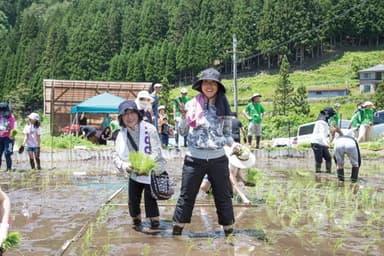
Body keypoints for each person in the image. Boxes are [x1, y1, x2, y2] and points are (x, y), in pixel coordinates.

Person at [172, 67, 235, 237]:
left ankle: (229, 233)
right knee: (186, 196)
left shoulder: (224, 105)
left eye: (213, 83)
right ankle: (177, 231)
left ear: (218, 87)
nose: (209, 86)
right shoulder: (190, 104)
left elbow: (228, 134)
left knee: (223, 196)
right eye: (206, 82)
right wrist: (184, 116)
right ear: (201, 85)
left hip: (218, 159)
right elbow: (183, 132)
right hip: (194, 159)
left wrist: (235, 146)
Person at [112, 100, 166, 229]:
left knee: (150, 200)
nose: (129, 117)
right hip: (134, 172)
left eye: (132, 113)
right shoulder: (121, 134)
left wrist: (145, 167)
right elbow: (116, 156)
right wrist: (125, 166)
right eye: (125, 115)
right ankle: (136, 223)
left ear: (138, 114)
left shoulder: (150, 129)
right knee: (133, 201)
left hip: (150, 171)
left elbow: (156, 152)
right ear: (121, 118)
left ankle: (155, 227)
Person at [310, 107, 340, 173]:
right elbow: (322, 134)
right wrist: (327, 144)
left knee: (328, 158)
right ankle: (317, 173)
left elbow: (327, 134)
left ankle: (328, 172)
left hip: (322, 143)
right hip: (316, 143)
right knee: (319, 160)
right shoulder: (321, 122)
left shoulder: (325, 122)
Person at [0, 103, 15, 172]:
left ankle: (9, 169)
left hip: (8, 138)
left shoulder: (11, 117)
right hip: (0, 137)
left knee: (7, 153)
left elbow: (11, 129)